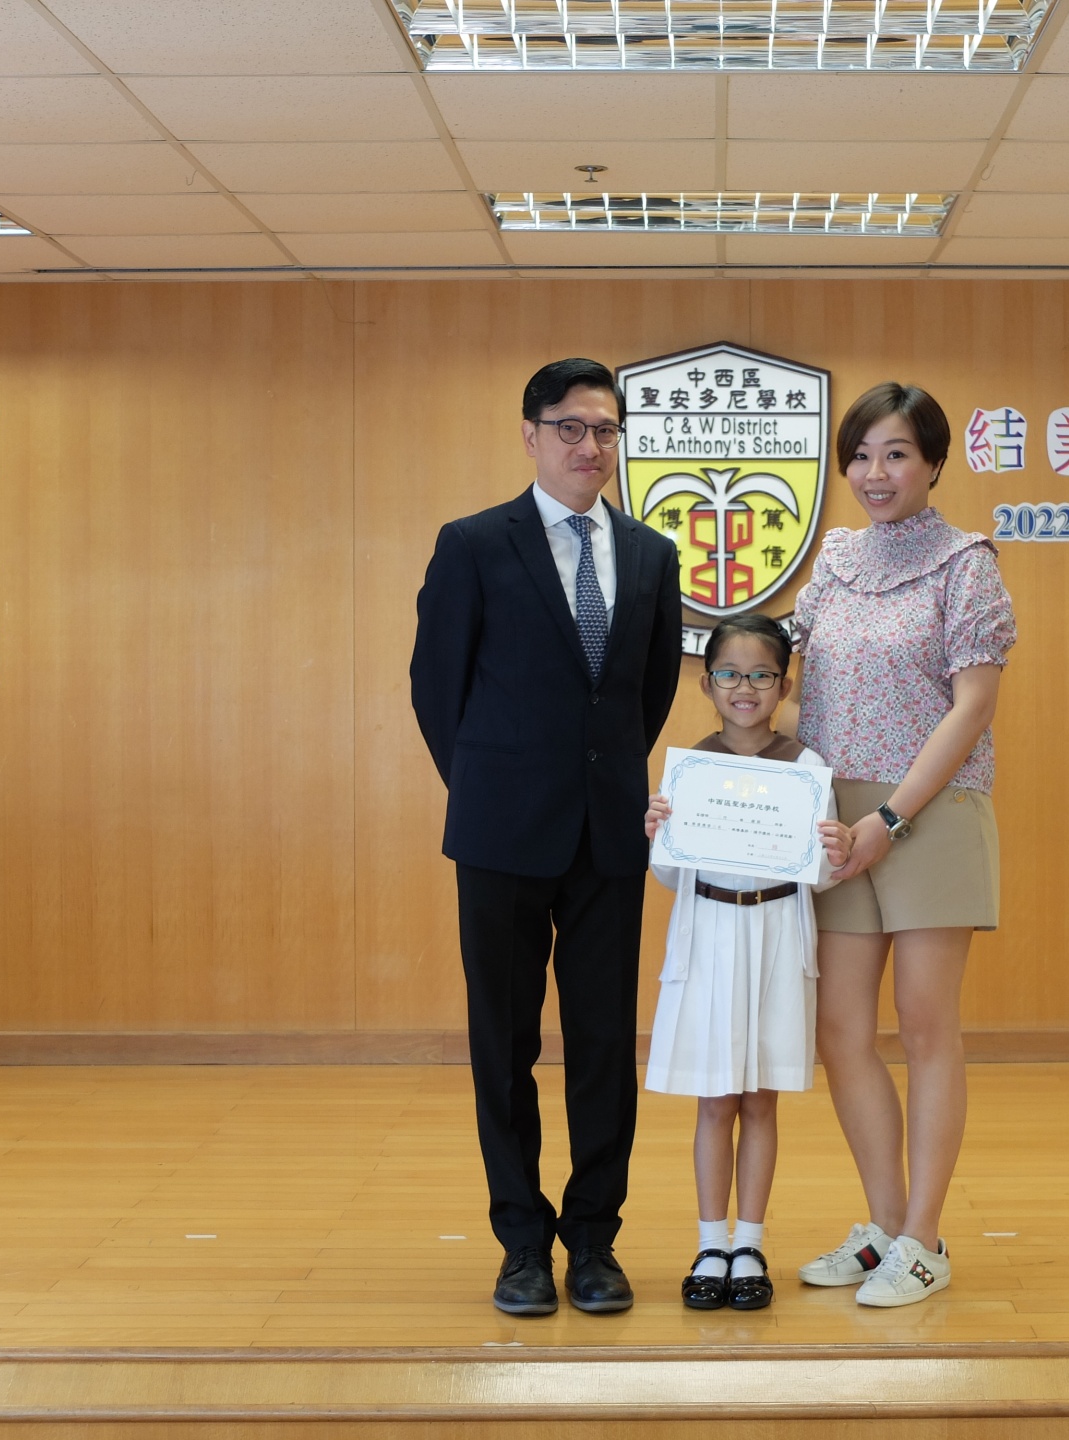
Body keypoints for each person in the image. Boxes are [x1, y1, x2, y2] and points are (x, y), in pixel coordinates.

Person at [410, 358, 683, 1317]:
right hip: (500, 834)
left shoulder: (650, 554)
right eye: (570, 427)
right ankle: (521, 1243)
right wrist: (497, 784)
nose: (589, 446)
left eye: (605, 429)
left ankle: (595, 1242)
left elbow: (649, 693)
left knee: (605, 1043)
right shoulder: (473, 544)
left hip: (610, 836)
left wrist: (598, 779)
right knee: (504, 1043)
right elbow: (436, 688)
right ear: (531, 435)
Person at [790, 382, 1017, 1308]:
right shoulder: (835, 560)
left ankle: (925, 1238)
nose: (874, 473)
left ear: (932, 463)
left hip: (928, 811)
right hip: (834, 817)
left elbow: (973, 706)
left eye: (895, 455)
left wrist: (890, 821)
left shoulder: (967, 564)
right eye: (860, 456)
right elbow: (788, 682)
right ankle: (885, 1227)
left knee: (925, 1024)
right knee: (841, 1030)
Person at [642, 614, 853, 1311]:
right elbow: (671, 875)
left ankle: (750, 1244)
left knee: (760, 1100)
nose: (745, 687)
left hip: (776, 933)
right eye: (729, 673)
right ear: (706, 684)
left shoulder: (807, 767)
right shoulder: (690, 768)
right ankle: (711, 1243)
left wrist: (833, 848)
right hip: (708, 935)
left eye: (762, 675)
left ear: (784, 685)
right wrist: (659, 832)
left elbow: (819, 879)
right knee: (714, 1102)